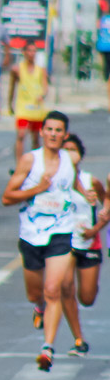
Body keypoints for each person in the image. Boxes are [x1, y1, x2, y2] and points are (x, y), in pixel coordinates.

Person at [1, 112, 75, 372]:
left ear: (65, 135)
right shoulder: (29, 160)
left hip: (61, 231)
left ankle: (47, 348)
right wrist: (37, 190)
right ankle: (39, 307)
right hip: (31, 233)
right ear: (41, 132)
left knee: (53, 289)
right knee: (36, 292)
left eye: (59, 130)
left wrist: (88, 196)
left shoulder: (71, 159)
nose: (54, 134)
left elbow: (73, 186)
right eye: (50, 129)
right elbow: (7, 197)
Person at [60, 134, 108, 358]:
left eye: (73, 150)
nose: (70, 154)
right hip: (64, 242)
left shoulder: (92, 181)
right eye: (65, 150)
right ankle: (78, 339)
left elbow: (106, 203)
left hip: (89, 242)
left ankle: (91, 288)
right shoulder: (55, 182)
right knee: (65, 286)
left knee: (87, 298)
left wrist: (97, 226)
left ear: (80, 155)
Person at [8, 42, 49, 161]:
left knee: (36, 138)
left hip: (36, 108)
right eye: (29, 51)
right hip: (23, 107)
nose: (32, 54)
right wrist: (10, 104)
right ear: (24, 53)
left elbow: (45, 87)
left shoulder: (41, 70)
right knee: (21, 135)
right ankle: (19, 163)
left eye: (34, 51)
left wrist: (43, 95)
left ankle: (34, 163)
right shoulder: (17, 69)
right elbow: (12, 88)